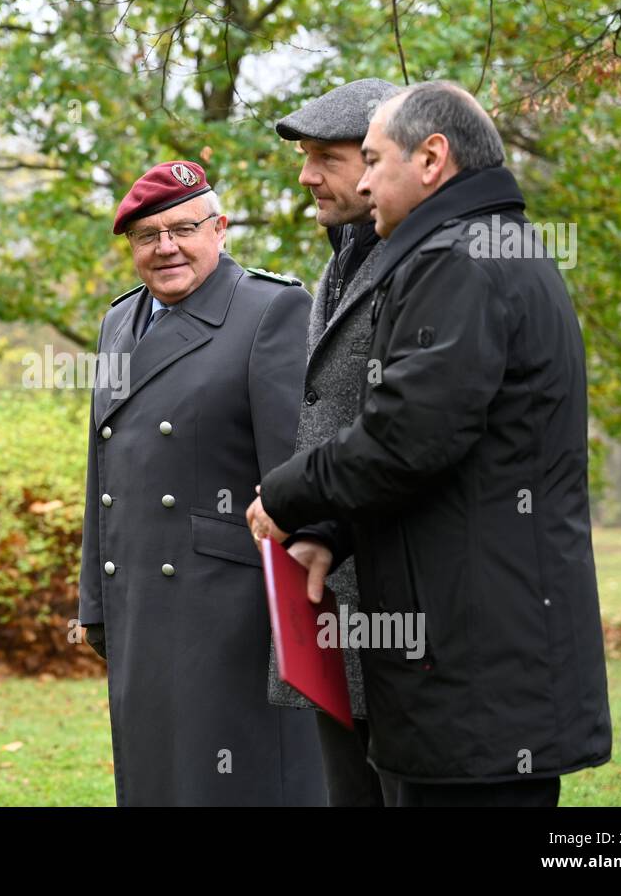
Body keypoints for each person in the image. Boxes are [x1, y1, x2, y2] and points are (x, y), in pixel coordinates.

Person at [246, 82, 612, 806]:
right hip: (471, 662)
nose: (366, 179)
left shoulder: (460, 261)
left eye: (373, 159)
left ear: (433, 159)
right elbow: (447, 456)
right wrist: (335, 535)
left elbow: (408, 434)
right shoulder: (476, 248)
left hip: (473, 671)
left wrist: (289, 495)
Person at [78, 159, 326, 806]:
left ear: (220, 228)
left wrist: (301, 630)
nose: (165, 248)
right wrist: (95, 605)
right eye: (146, 235)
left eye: (183, 229)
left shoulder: (271, 312)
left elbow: (294, 480)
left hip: (232, 618)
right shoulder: (118, 322)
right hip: (138, 605)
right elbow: (101, 475)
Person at [268, 77, 399, 807]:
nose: (306, 174)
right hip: (337, 607)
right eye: (304, 156)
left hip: (399, 608)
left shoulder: (419, 262)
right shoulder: (341, 255)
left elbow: (405, 431)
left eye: (327, 157)